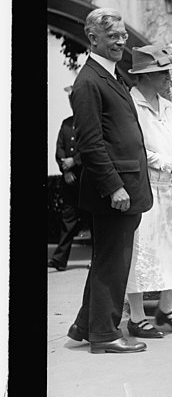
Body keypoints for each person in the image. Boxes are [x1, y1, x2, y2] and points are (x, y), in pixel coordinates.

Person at [66, 7, 153, 354]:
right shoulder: (88, 82)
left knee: (109, 257)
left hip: (125, 186)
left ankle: (85, 326)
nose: (121, 41)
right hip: (116, 189)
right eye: (113, 36)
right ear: (93, 38)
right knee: (112, 261)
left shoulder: (110, 76)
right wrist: (114, 186)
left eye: (122, 35)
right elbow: (90, 143)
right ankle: (105, 334)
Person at [123, 45, 172, 338]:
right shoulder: (131, 105)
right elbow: (135, 148)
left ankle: (167, 309)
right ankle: (137, 316)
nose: (168, 77)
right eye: (161, 73)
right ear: (145, 76)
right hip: (146, 186)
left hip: (171, 187)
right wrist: (164, 161)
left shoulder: (167, 105)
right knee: (141, 251)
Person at [49, 85, 92, 272]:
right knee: (68, 219)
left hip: (87, 179)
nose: (72, 103)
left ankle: (97, 259)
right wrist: (65, 170)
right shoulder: (66, 124)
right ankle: (59, 259)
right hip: (70, 181)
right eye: (70, 100)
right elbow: (59, 149)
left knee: (92, 219)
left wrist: (75, 161)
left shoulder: (91, 122)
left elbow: (92, 147)